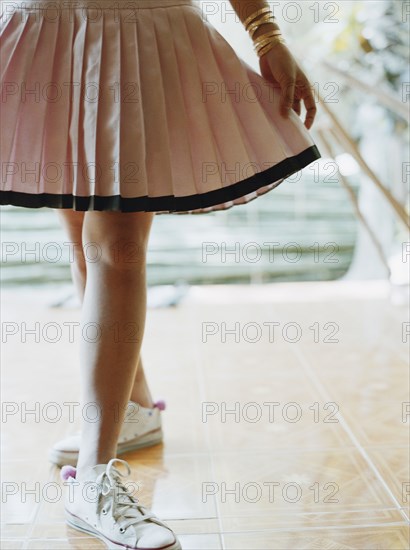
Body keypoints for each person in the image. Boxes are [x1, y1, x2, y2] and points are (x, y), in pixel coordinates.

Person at [0, 0, 320, 548]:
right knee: (82, 239)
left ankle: (94, 480)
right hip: (45, 25)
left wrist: (265, 34)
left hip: (140, 32)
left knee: (116, 244)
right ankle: (134, 409)